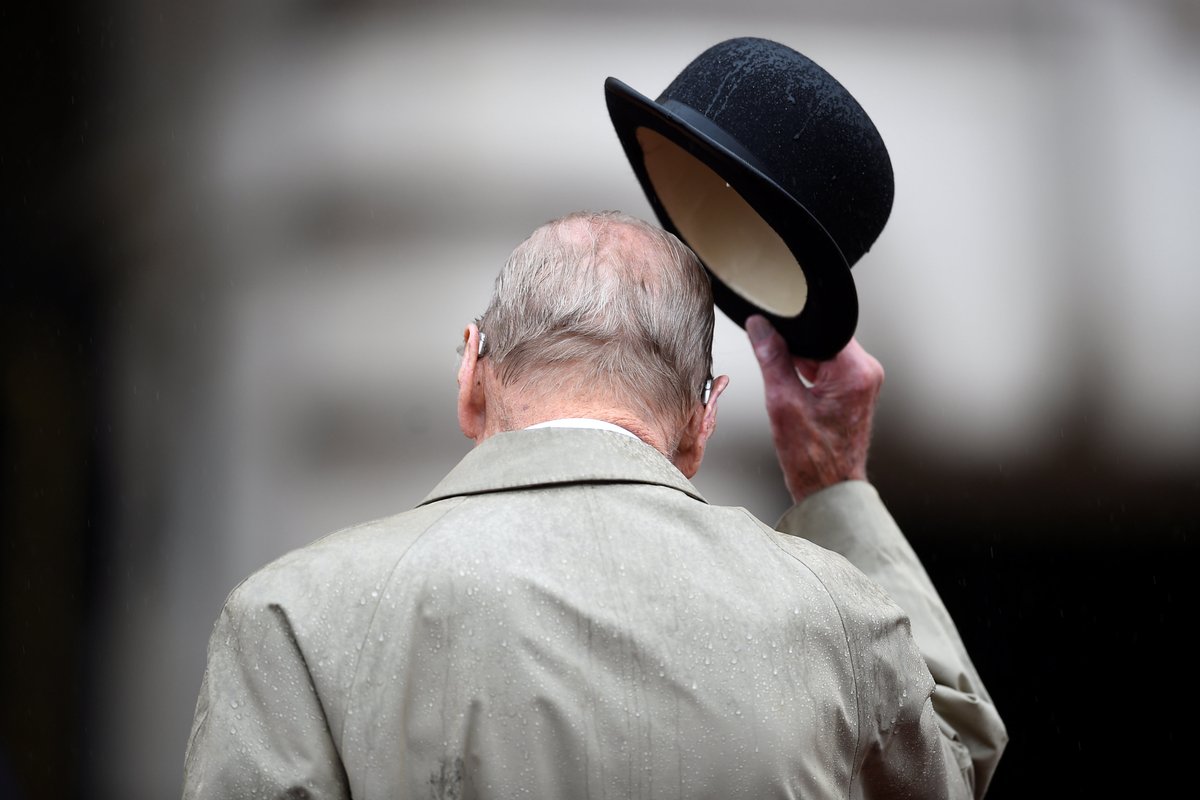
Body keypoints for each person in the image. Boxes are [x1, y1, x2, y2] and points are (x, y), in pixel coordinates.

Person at [182, 210, 1007, 799]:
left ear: (472, 373)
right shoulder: (837, 623)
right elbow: (955, 764)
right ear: (703, 417)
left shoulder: (292, 620)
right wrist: (834, 485)